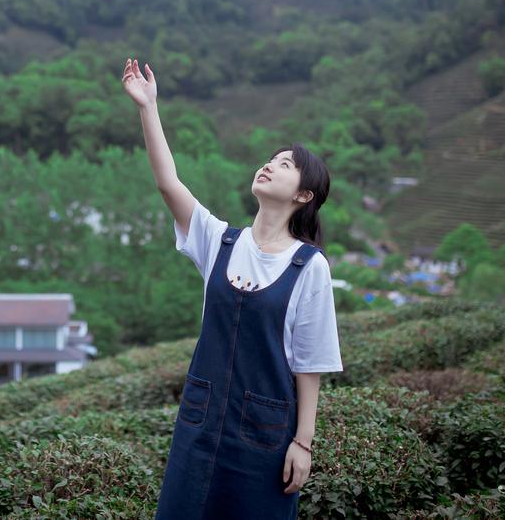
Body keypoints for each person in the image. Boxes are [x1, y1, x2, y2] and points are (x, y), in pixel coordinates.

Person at [121, 57, 344, 520]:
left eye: (285, 165)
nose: (269, 166)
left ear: (304, 195)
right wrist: (148, 107)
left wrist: (303, 442)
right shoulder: (220, 240)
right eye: (270, 160)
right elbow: (168, 183)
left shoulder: (309, 267)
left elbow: (309, 364)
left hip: (265, 440)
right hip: (199, 426)